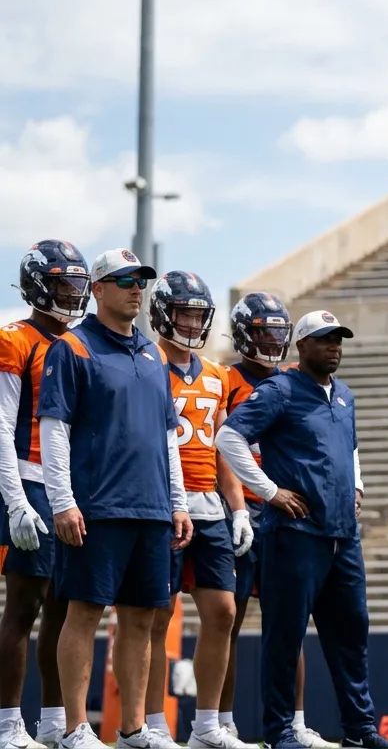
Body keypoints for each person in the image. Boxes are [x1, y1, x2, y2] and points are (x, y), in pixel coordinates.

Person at [216, 310, 388, 749]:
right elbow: (228, 437)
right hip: (295, 533)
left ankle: (360, 730)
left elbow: (350, 448)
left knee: (351, 634)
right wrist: (269, 491)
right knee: (285, 635)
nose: (334, 346)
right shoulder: (279, 389)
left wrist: (357, 486)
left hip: (343, 535)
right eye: (324, 339)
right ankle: (279, 730)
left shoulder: (344, 395)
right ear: (301, 345)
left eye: (338, 339)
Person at [37, 248, 193, 749]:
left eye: (140, 282)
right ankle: (75, 728)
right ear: (98, 289)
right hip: (97, 507)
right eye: (125, 281)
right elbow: (54, 430)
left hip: (151, 508)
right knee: (84, 613)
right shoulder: (72, 348)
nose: (136, 290)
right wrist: (62, 501)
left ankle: (133, 729)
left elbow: (168, 437)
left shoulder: (154, 354)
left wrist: (178, 502)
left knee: (142, 619)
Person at [137, 271, 256, 749]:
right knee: (157, 616)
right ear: (163, 314)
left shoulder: (216, 374)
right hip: (161, 505)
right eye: (183, 314)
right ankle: (152, 724)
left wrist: (238, 507)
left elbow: (222, 447)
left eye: (197, 315)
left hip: (208, 505)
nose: (191, 323)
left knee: (223, 611)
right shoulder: (145, 364)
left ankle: (207, 726)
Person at [218, 293, 333, 749]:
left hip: (284, 513)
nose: (270, 340)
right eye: (262, 331)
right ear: (244, 334)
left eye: (277, 332)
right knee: (227, 621)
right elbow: (221, 447)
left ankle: (295, 722)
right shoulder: (224, 379)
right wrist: (238, 508)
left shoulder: (293, 381)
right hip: (242, 510)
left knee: (289, 625)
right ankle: (221, 722)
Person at [0, 242, 90, 749]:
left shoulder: (79, 344)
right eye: (63, 284)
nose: (73, 294)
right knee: (23, 607)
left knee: (64, 606)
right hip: (28, 478)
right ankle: (7, 723)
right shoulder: (14, 338)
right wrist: (16, 500)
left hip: (68, 486)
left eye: (78, 284)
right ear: (37, 284)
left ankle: (54, 721)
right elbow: (0, 424)